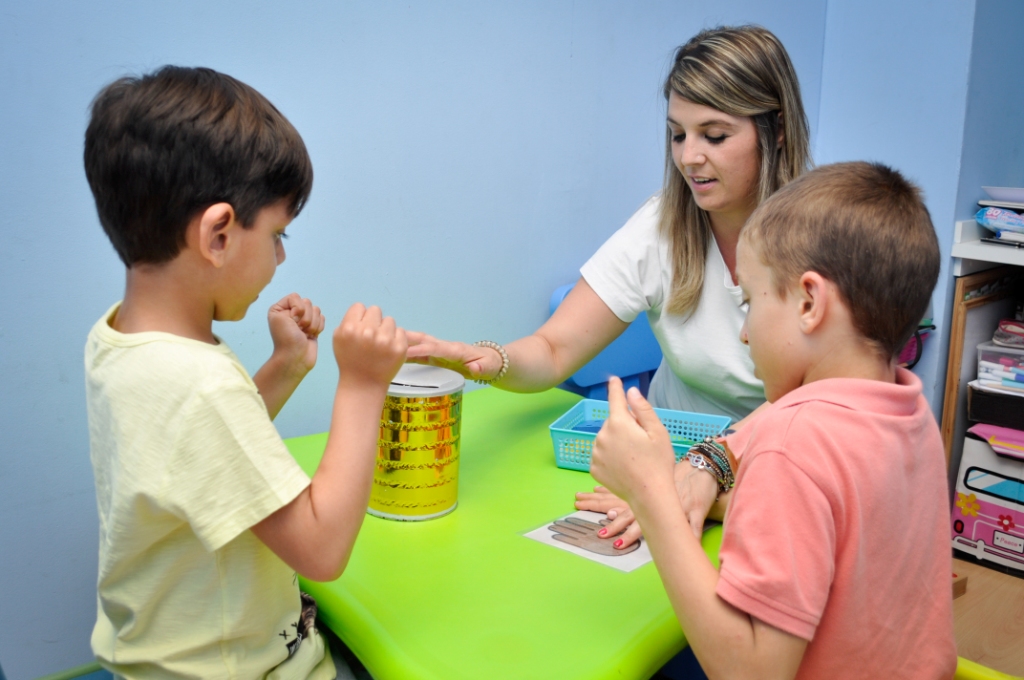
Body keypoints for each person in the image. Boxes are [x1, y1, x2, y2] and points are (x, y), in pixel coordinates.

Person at [406, 25, 810, 546]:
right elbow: (554, 349)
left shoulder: (824, 240)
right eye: (677, 133)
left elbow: (820, 421)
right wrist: (485, 359)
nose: (688, 157)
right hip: (666, 470)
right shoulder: (663, 223)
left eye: (714, 135)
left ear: (775, 130)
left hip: (766, 481)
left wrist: (692, 484)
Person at [83, 66, 407, 679]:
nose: (281, 258)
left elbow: (195, 451)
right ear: (219, 233)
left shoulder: (119, 340)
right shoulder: (200, 381)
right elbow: (321, 549)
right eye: (279, 235)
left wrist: (283, 369)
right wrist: (363, 386)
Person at [589, 162, 956, 679]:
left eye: (750, 303)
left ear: (809, 302)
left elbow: (750, 673)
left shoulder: (792, 446)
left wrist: (653, 497)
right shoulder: (907, 408)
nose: (744, 335)